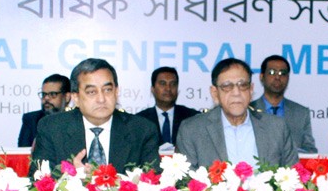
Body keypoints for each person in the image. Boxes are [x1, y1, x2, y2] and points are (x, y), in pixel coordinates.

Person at [30, 58, 159, 176]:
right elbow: (38, 181)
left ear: (116, 92)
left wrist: (115, 182)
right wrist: (71, 179)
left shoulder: (142, 130)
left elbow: (153, 182)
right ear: (76, 97)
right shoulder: (52, 128)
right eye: (91, 92)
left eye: (107, 90)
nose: (101, 99)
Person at [176, 58, 298, 168]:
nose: (236, 93)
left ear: (251, 90)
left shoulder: (277, 128)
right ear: (215, 93)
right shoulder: (192, 130)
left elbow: (293, 175)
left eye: (242, 85)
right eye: (227, 86)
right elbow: (186, 181)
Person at [253, 55, 317, 154]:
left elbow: (310, 151)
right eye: (272, 72)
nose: (277, 77)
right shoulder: (249, 110)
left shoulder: (301, 113)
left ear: (288, 78)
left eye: (282, 73)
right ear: (262, 77)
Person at [135, 66, 198, 147]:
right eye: (163, 83)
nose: (168, 88)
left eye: (173, 84)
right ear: (152, 89)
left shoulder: (192, 117)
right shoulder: (140, 120)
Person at [18, 74, 70, 147]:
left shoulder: (78, 120)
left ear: (67, 97)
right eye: (44, 94)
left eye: (53, 94)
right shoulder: (31, 119)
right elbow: (23, 150)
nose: (46, 98)